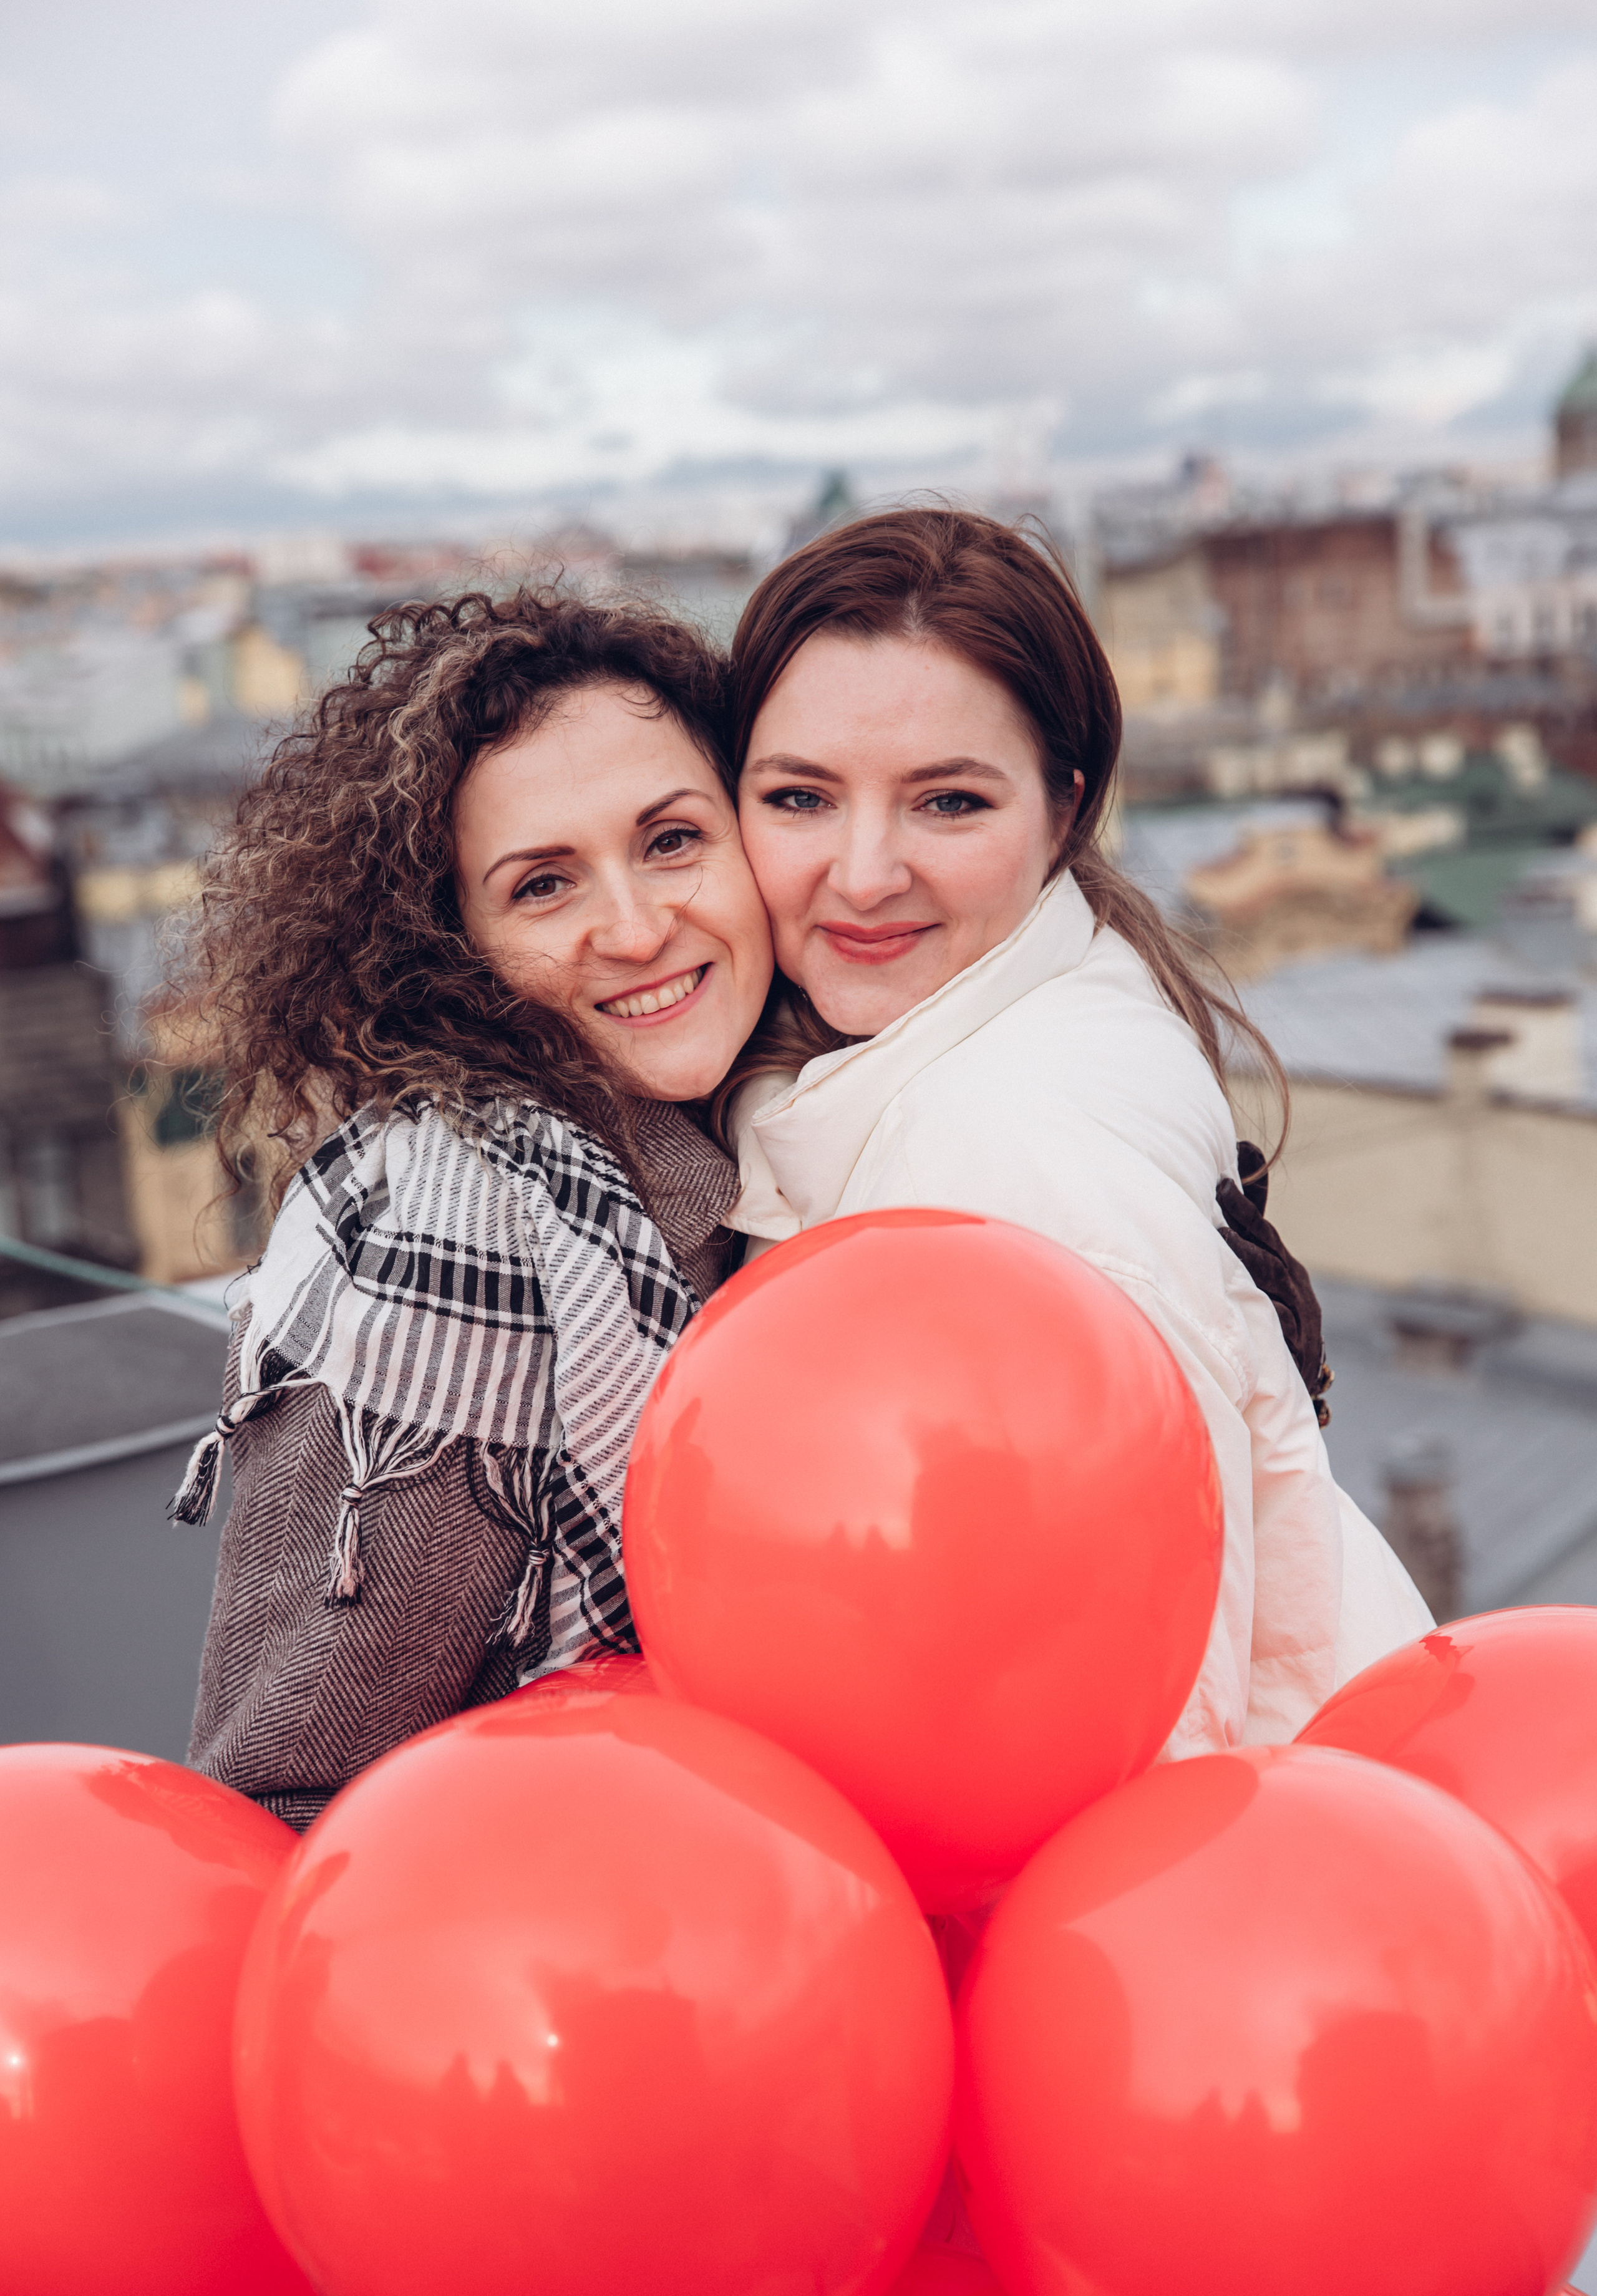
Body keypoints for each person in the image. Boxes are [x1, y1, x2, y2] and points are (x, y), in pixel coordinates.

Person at [717, 507, 1431, 1753]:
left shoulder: (1010, 1158)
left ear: (1064, 810)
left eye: (946, 803)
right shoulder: (973, 1040)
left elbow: (1146, 1720)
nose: (866, 871)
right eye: (799, 798)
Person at [168, 586, 772, 1828]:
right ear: (457, 948)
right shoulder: (447, 1228)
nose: (637, 926)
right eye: (543, 886)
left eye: (670, 841)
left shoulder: (762, 1135)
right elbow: (285, 1791)